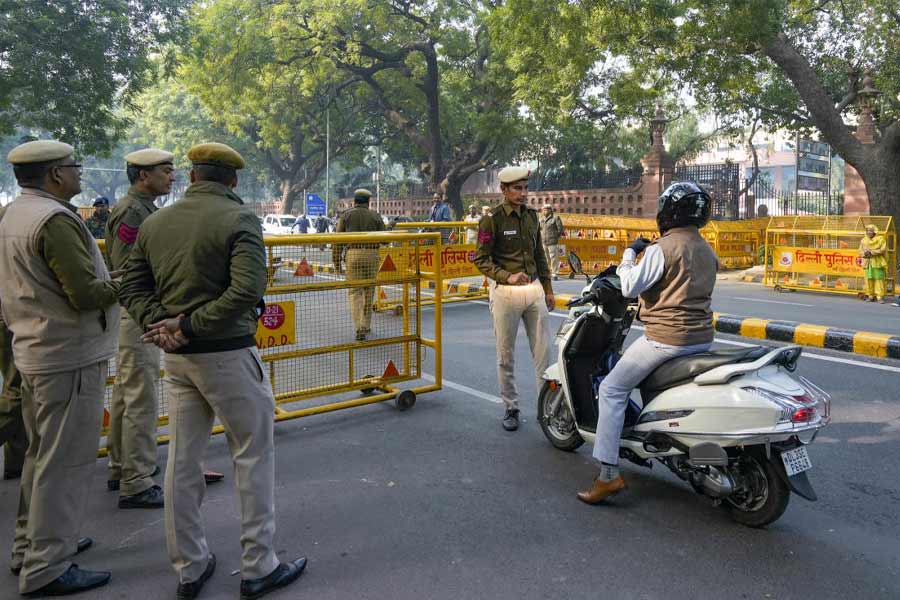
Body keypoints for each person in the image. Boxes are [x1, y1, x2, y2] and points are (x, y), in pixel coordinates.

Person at [119, 142, 305, 600]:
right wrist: (187, 325)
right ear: (234, 180)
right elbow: (246, 290)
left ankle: (189, 567)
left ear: (192, 176)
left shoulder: (155, 221)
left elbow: (132, 285)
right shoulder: (239, 219)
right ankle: (259, 566)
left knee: (182, 463)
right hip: (228, 355)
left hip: (178, 360)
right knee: (252, 457)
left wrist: (162, 327)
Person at [0, 140, 119, 596]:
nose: (80, 173)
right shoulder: (55, 220)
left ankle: (32, 546)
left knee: (41, 456)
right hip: (66, 355)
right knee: (63, 463)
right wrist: (121, 283)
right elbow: (86, 294)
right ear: (54, 175)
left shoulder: (15, 213)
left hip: (35, 349)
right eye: (74, 166)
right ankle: (47, 566)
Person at [577, 181, 717, 505]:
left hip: (667, 339)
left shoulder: (661, 249)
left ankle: (607, 476)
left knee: (612, 388)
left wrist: (630, 253)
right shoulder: (706, 249)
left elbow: (628, 286)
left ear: (668, 212)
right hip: (702, 340)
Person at [473, 166, 554, 431]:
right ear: (504, 190)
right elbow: (481, 260)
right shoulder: (491, 220)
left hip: (533, 291)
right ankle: (511, 407)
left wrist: (549, 287)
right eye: (517, 189)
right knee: (505, 355)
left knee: (543, 353)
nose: (523, 193)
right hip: (505, 293)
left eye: (525, 188)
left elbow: (540, 254)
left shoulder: (532, 217)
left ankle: (547, 408)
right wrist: (506, 276)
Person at [333, 189, 385, 341]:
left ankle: (358, 328)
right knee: (369, 290)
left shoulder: (346, 215)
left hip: (353, 255)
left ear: (354, 202)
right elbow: (385, 240)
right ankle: (366, 325)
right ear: (368, 202)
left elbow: (337, 241)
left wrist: (337, 264)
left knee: (355, 292)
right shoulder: (375, 216)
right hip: (372, 254)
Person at [0, 309, 27, 481]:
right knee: (19, 391)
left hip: (10, 318)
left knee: (14, 387)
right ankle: (17, 462)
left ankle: (17, 462)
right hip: (12, 318)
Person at [859, 224, 887, 303]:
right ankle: (870, 296)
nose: (868, 232)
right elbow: (860, 251)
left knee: (879, 280)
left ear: (874, 231)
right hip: (867, 263)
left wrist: (872, 252)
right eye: (867, 230)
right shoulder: (863, 240)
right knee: (868, 280)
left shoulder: (880, 239)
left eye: (870, 230)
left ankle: (879, 297)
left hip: (878, 263)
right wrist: (864, 254)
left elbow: (883, 249)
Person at [540, 204, 565, 281]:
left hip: (552, 242)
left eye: (547, 209)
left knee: (553, 258)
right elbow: (539, 229)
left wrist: (555, 237)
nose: (545, 211)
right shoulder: (541, 219)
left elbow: (560, 229)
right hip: (543, 242)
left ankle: (554, 273)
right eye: (544, 209)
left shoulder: (555, 218)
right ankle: (547, 273)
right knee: (545, 258)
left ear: (550, 210)